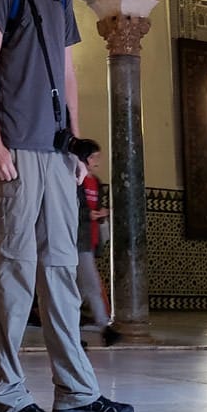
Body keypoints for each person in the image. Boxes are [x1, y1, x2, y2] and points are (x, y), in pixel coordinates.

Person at [0, 0, 134, 412]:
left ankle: (77, 391)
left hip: (56, 155)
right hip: (15, 152)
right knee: (13, 271)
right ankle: (7, 397)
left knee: (62, 272)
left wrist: (76, 150)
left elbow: (66, 72)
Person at [73, 139, 122, 347]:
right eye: (93, 157)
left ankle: (71, 332)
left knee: (79, 290)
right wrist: (87, 214)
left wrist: (102, 214)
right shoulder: (77, 181)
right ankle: (105, 328)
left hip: (91, 240)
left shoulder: (97, 183)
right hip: (77, 241)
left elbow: (97, 207)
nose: (96, 162)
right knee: (91, 285)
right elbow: (72, 208)